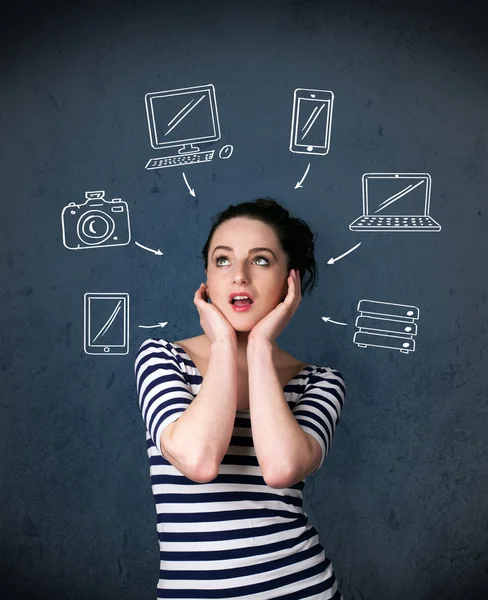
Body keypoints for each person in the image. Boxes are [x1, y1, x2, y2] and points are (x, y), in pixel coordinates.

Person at [135, 198, 346, 599]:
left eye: (262, 261)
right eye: (223, 260)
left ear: (290, 280)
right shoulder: (163, 358)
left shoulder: (319, 381)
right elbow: (198, 459)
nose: (240, 277)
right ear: (207, 279)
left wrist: (262, 345)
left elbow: (282, 468)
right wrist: (224, 347)